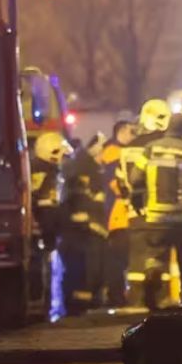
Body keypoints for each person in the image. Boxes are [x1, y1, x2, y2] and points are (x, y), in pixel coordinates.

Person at [128, 114, 182, 314]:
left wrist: (137, 198)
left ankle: (152, 284)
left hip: (155, 216)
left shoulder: (150, 149)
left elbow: (135, 177)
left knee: (156, 256)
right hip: (181, 217)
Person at [118, 99, 172, 305]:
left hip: (137, 211)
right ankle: (161, 298)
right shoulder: (169, 147)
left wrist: (131, 200)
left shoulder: (130, 147)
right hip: (163, 211)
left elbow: (122, 180)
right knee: (160, 257)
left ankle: (136, 299)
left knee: (138, 258)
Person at [62, 132, 109, 312]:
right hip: (87, 227)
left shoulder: (88, 167)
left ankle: (88, 302)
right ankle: (81, 305)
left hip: (92, 226)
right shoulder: (85, 169)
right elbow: (82, 199)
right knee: (87, 267)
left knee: (92, 267)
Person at [30, 131, 72, 320]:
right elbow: (36, 201)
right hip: (44, 230)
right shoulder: (40, 171)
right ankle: (44, 308)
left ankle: (50, 308)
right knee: (44, 270)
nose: (63, 156)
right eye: (60, 152)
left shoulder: (52, 170)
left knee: (52, 270)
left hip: (50, 230)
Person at [99, 121, 135, 307]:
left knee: (119, 258)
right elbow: (116, 182)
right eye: (131, 132)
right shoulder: (114, 152)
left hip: (119, 213)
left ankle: (118, 295)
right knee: (118, 258)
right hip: (117, 214)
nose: (134, 136)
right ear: (121, 132)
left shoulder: (115, 151)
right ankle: (116, 296)